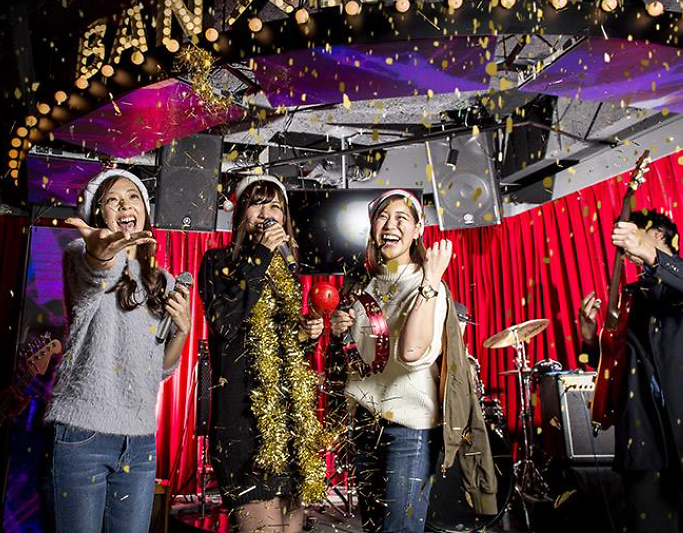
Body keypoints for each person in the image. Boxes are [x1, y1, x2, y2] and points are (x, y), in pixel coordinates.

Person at [329, 189, 498, 533]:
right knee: (376, 527)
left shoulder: (428, 284)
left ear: (419, 228)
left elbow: (410, 354)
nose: (390, 225)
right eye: (382, 217)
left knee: (399, 528)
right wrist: (337, 329)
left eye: (402, 218)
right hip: (365, 424)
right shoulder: (363, 285)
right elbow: (357, 359)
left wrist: (431, 281)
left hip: (408, 429)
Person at [579, 209, 683, 533]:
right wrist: (591, 340)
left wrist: (653, 257)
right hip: (648, 449)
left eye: (635, 233)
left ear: (658, 234)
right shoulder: (630, 298)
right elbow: (616, 368)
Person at [45, 169, 191, 533]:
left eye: (133, 197)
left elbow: (159, 369)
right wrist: (100, 257)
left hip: (140, 442)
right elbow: (95, 276)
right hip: (83, 436)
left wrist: (183, 332)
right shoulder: (81, 254)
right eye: (113, 199)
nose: (125, 204)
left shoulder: (163, 281)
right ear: (100, 215)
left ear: (144, 210)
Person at [197, 175, 326, 533]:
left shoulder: (287, 272)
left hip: (288, 427)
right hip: (243, 425)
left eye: (276, 207)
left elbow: (284, 353)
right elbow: (226, 327)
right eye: (258, 204)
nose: (267, 213)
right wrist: (260, 256)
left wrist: (306, 335)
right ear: (241, 214)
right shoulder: (218, 262)